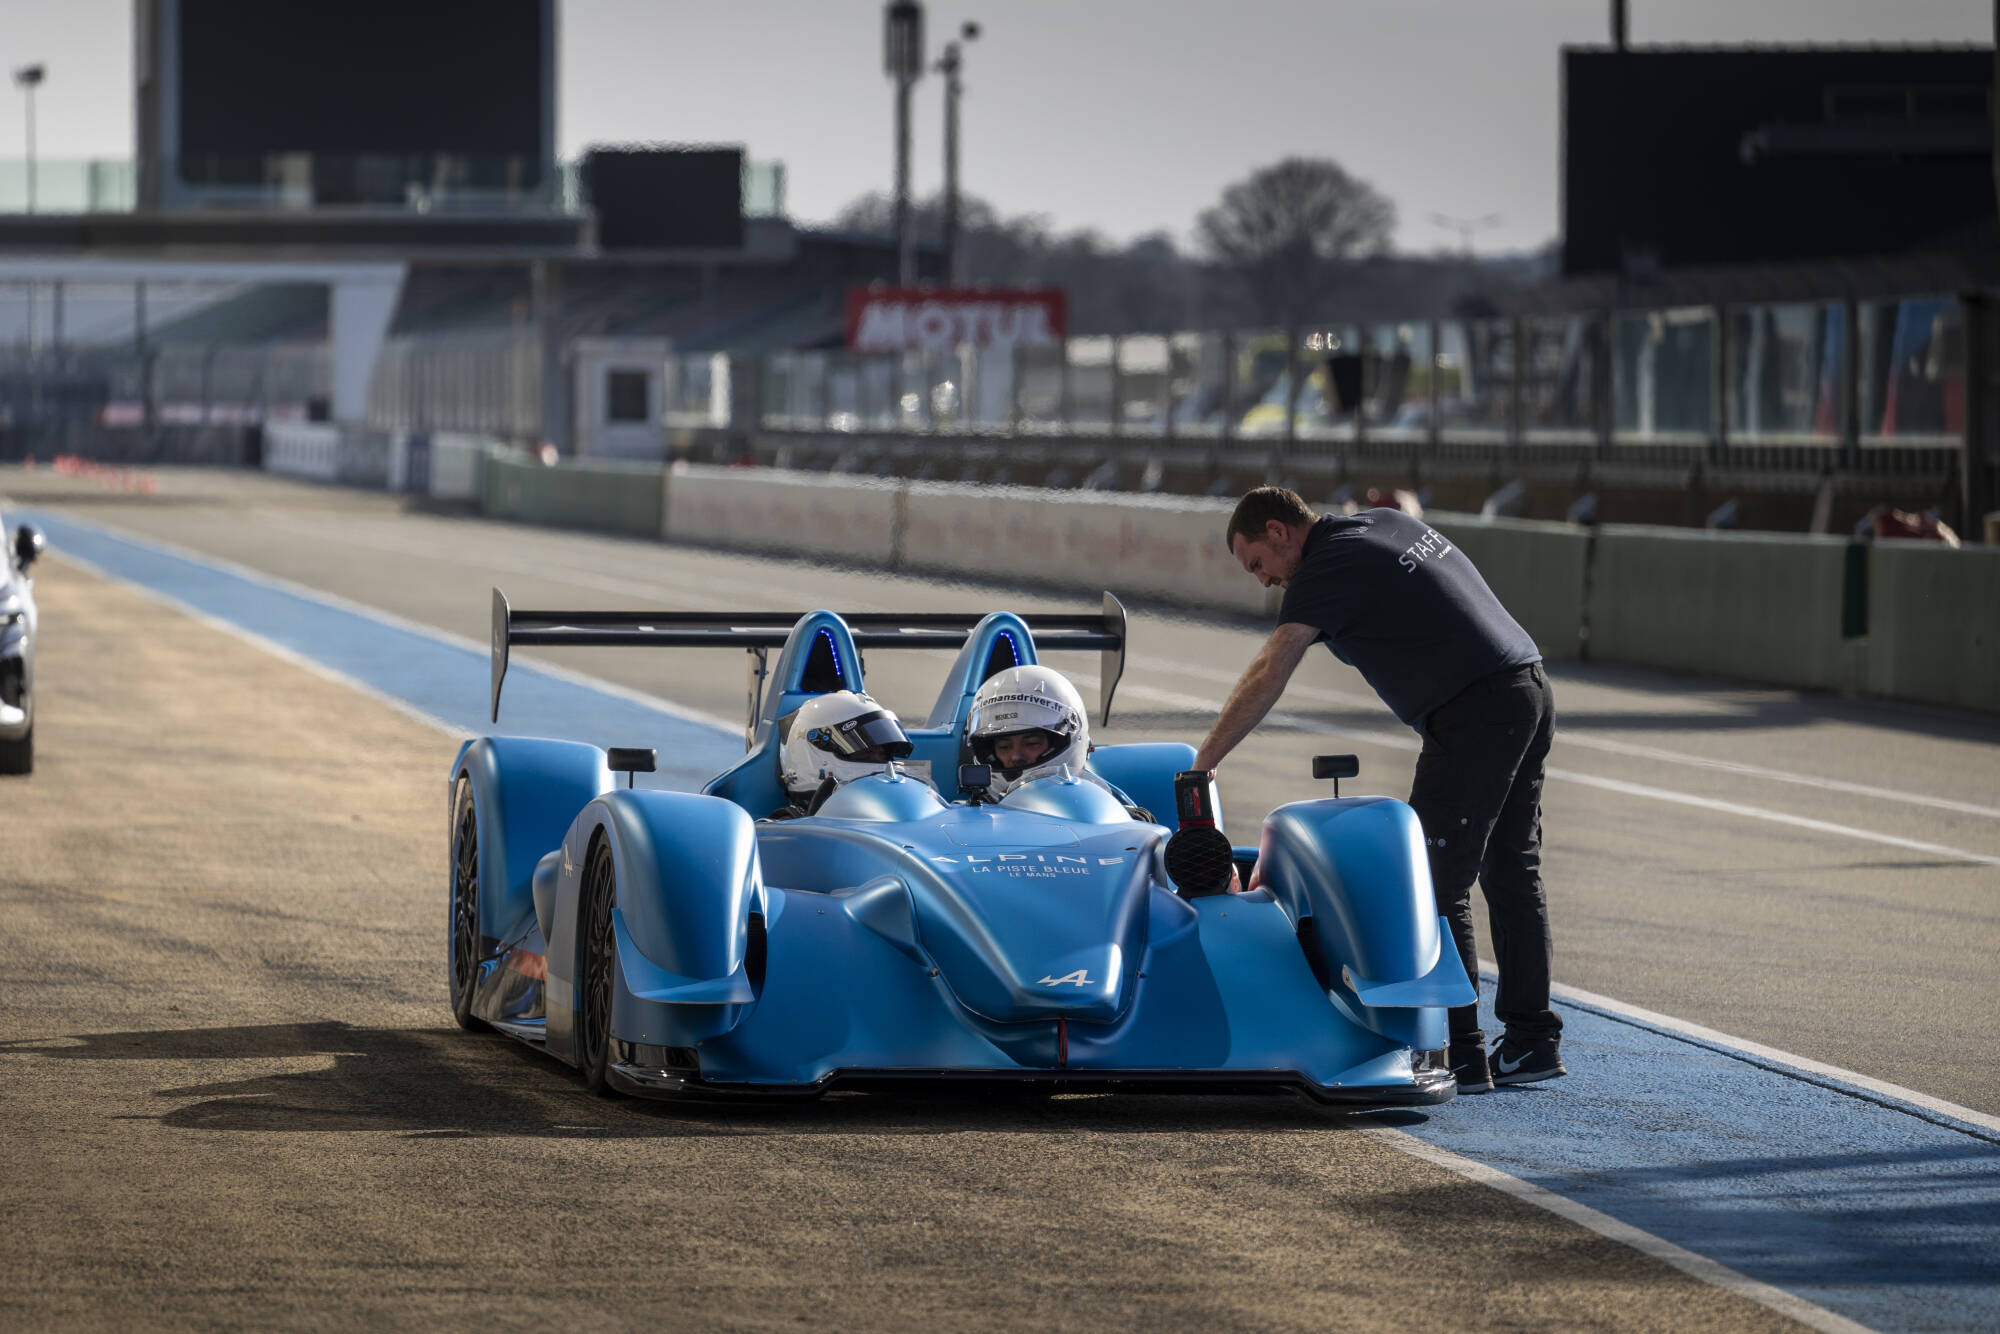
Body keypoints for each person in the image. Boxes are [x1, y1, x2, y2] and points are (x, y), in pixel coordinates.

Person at [1191, 486, 1562, 1093]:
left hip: (1476, 711)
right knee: (1512, 870)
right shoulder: (1382, 524)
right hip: (1528, 684)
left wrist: (1204, 762)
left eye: (1257, 562)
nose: (1263, 581)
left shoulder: (1325, 567)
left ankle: (1460, 1051)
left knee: (1432, 885)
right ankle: (1532, 1040)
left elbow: (1270, 670)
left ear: (1280, 532)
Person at [966, 666, 1144, 814]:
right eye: (1004, 746)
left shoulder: (1113, 812)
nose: (1015, 756)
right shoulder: (969, 815)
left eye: (1031, 743)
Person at [772, 690, 915, 817]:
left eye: (883, 753)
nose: (879, 760)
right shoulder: (780, 833)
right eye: (866, 752)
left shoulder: (901, 810)